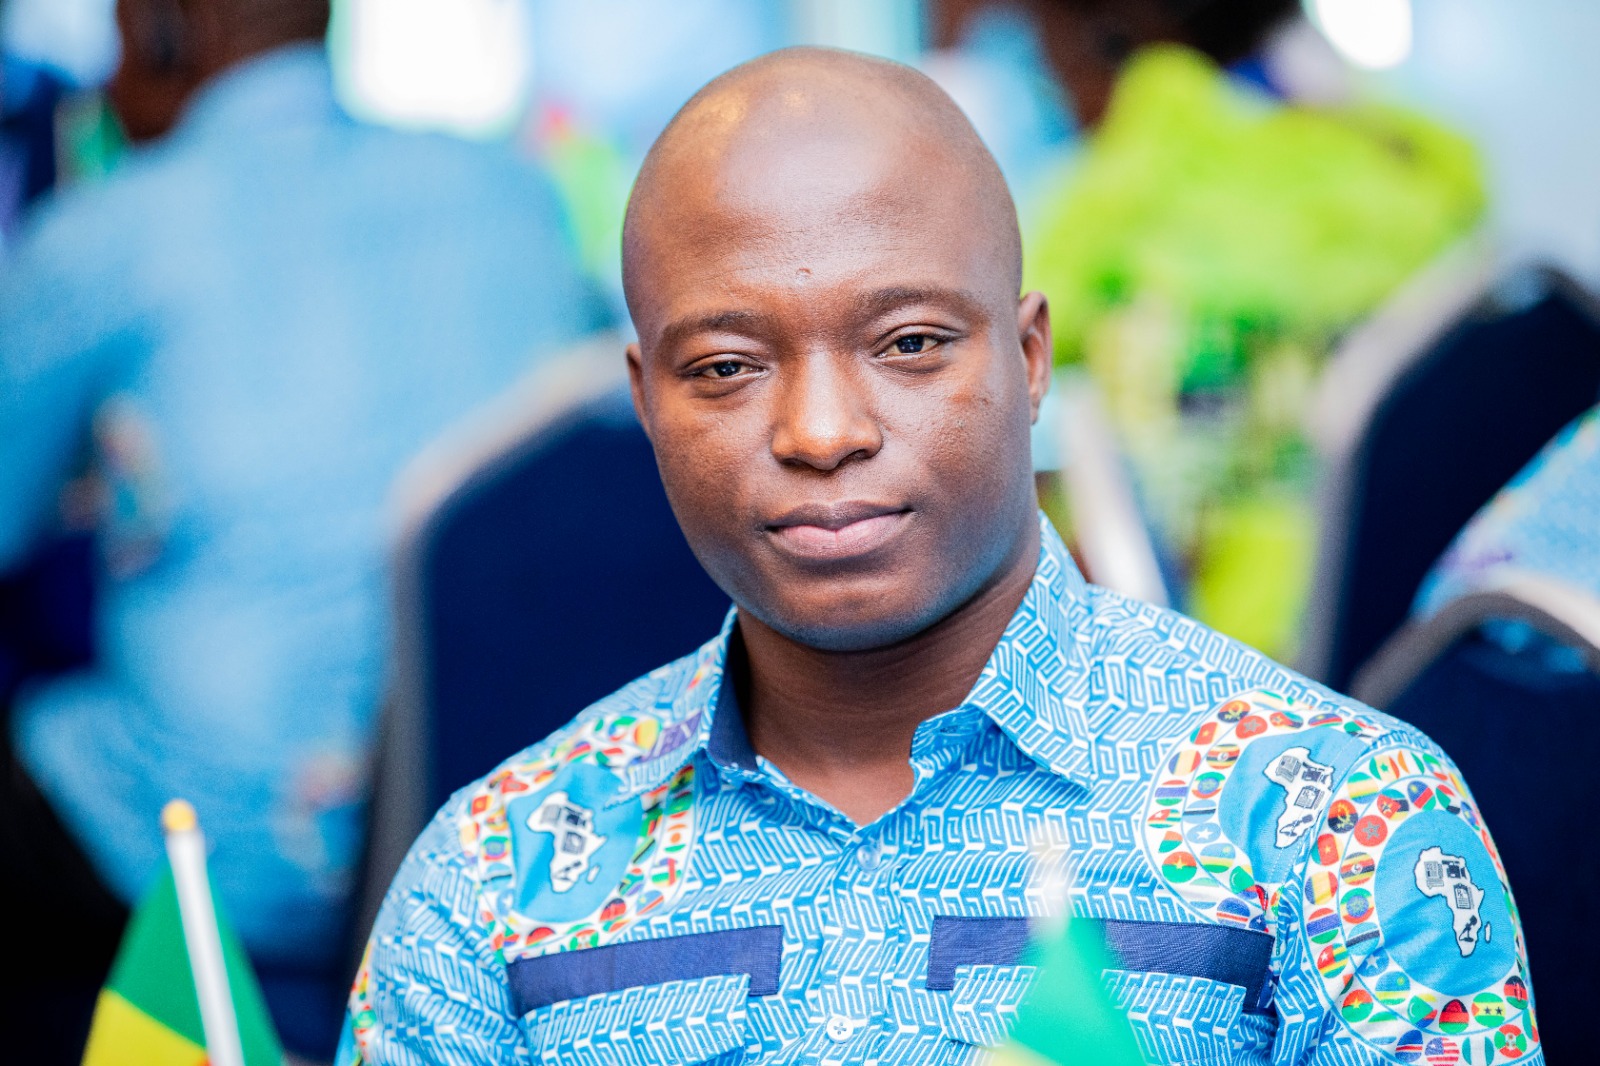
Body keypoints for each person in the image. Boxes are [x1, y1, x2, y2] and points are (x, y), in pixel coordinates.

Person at [342, 48, 1540, 1065]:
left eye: (909, 342)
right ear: (647, 400)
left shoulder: (1330, 820)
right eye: (726, 367)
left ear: (1028, 360)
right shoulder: (495, 884)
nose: (821, 432)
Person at [0, 0, 605, 1057]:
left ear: (166, 28)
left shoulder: (110, 232)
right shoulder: (512, 193)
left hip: (224, 849)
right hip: (514, 824)